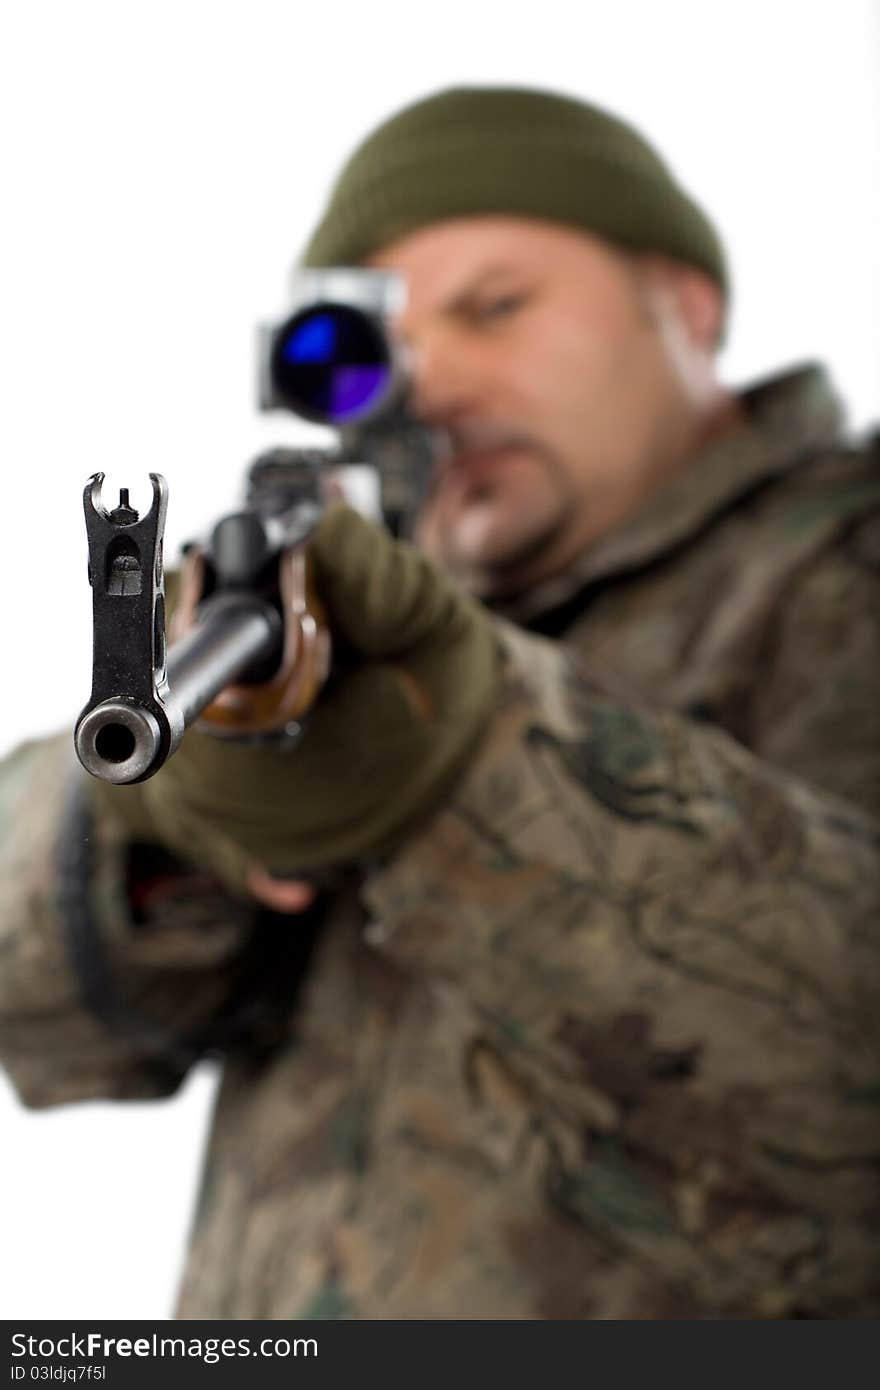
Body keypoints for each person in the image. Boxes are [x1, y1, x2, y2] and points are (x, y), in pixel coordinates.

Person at [0, 86, 878, 1320]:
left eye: (494, 307)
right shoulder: (342, 610)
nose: (435, 381)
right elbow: (48, 1032)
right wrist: (151, 830)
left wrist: (467, 761)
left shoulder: (840, 568)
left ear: (685, 303)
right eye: (384, 344)